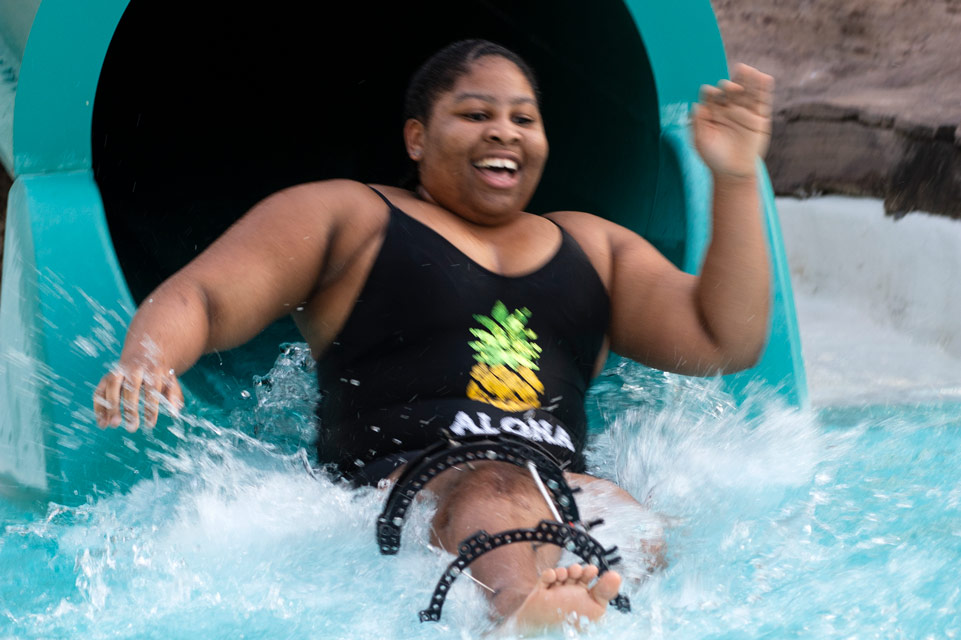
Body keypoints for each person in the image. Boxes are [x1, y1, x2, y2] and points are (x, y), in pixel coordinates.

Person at [94, 40, 773, 632]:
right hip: (401, 491)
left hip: (557, 490)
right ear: (416, 137)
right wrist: (149, 357)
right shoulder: (351, 217)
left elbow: (722, 339)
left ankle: (592, 614)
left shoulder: (593, 246)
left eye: (523, 118)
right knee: (492, 482)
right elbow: (204, 296)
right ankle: (517, 617)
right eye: (475, 114)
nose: (503, 131)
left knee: (633, 516)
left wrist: (736, 177)